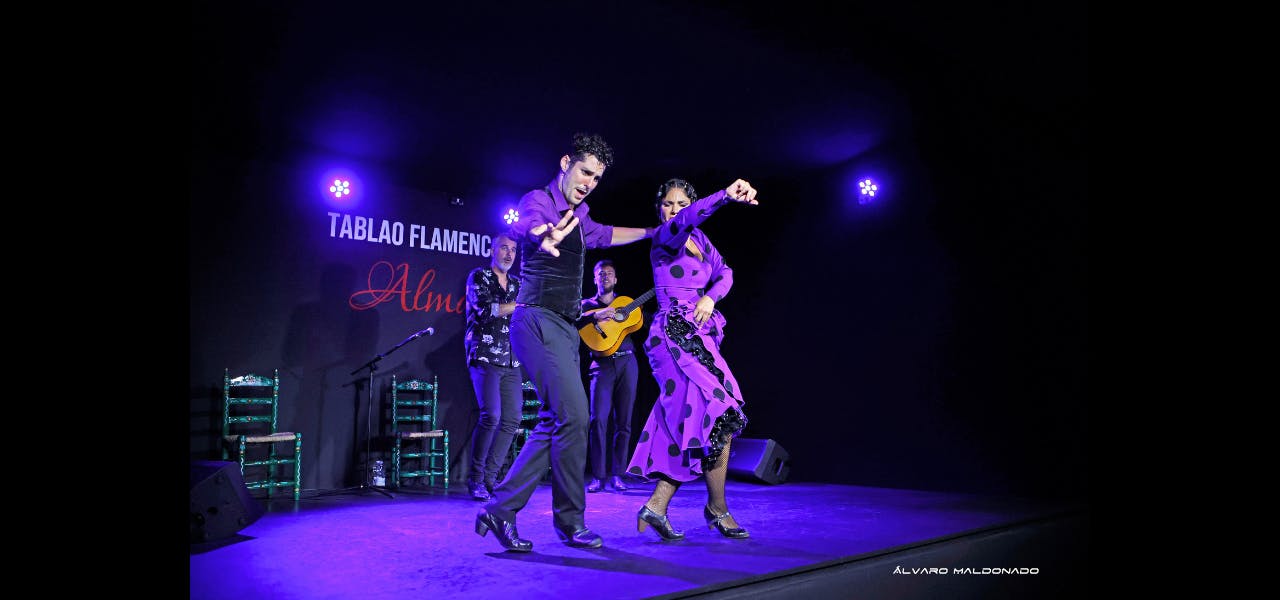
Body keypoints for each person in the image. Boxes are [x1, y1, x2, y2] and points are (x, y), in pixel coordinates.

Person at [474, 133, 654, 552]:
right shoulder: (541, 200)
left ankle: (501, 510)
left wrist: (652, 231)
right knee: (574, 416)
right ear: (565, 163)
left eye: (597, 177)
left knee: (560, 419)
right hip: (535, 320)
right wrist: (543, 235)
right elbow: (530, 221)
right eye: (585, 171)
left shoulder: (581, 216)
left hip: (566, 329)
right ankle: (569, 522)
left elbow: (606, 234)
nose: (590, 181)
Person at [627, 177, 758, 542]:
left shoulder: (701, 241)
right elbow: (687, 220)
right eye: (668, 203)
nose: (675, 209)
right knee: (720, 413)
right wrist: (726, 196)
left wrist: (710, 298)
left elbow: (726, 273)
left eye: (681, 202)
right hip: (673, 334)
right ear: (660, 210)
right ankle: (717, 510)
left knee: (694, 421)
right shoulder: (665, 235)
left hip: (698, 333)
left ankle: (656, 506)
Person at [463, 232, 523, 501]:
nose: (509, 254)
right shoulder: (479, 277)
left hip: (512, 359)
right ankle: (475, 479)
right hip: (485, 355)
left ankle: (490, 478)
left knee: (512, 419)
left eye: (513, 250)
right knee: (492, 416)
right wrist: (520, 305)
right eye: (504, 248)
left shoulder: (518, 283)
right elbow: (486, 311)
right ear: (492, 250)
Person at [580, 260, 640, 494]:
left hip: (627, 362)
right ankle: (598, 476)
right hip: (601, 365)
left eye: (609, 274)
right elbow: (575, 319)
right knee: (598, 421)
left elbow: (640, 319)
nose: (605, 276)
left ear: (616, 280)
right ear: (594, 279)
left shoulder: (625, 304)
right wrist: (598, 314)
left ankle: (617, 475)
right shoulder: (586, 305)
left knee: (623, 422)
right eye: (600, 273)